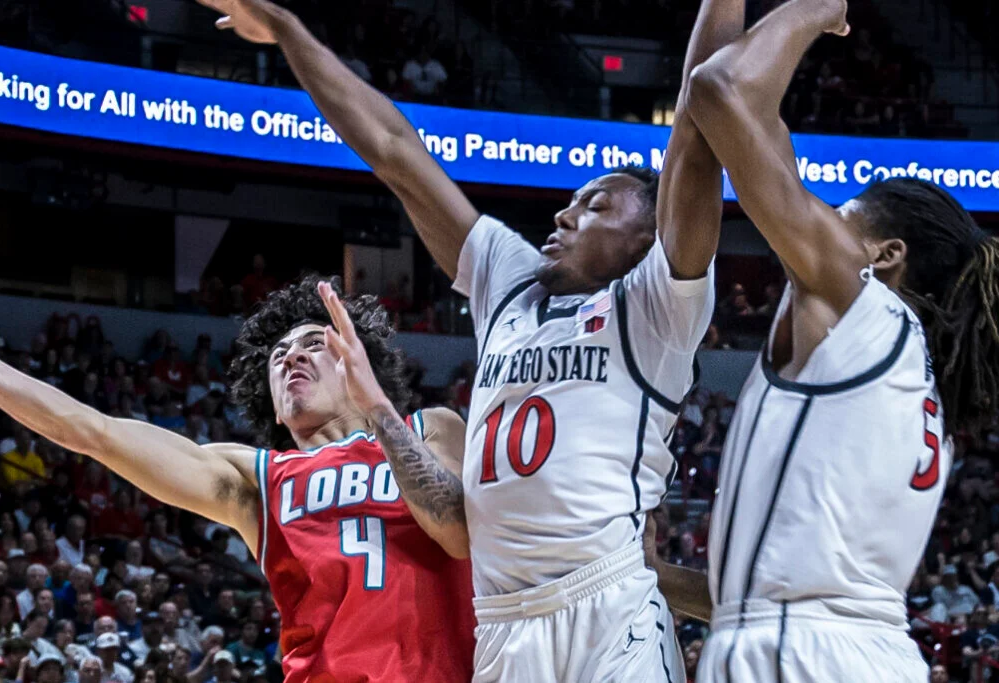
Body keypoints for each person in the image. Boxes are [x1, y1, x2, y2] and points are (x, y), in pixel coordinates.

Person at [197, 0, 731, 679]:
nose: (565, 212)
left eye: (597, 205)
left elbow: (698, 131)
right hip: (504, 621)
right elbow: (396, 153)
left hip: (609, 602)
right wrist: (288, 31)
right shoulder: (511, 278)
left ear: (648, 241)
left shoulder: (655, 306)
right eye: (572, 199)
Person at [0, 277, 476, 682]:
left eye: (312, 343)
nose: (291, 358)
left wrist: (382, 412)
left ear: (354, 357)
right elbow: (89, 429)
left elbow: (454, 533)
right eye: (278, 357)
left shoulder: (429, 427)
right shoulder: (256, 479)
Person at [683, 0, 999, 680]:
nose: (815, 225)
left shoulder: (862, 307)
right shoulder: (917, 391)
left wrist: (816, 9)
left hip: (804, 658)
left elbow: (720, 90)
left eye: (840, 218)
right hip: (854, 652)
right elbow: (770, 592)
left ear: (884, 256)